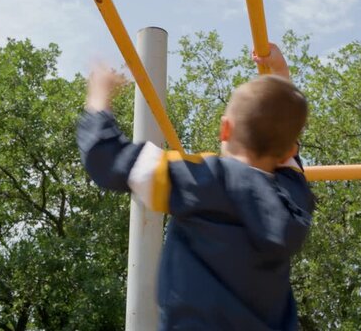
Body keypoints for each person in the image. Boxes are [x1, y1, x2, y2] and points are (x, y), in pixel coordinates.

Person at [77, 43, 314, 330]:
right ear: (288, 148)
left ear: (224, 128)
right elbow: (288, 154)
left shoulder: (203, 180)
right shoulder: (292, 200)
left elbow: (106, 158)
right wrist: (281, 75)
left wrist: (98, 97)